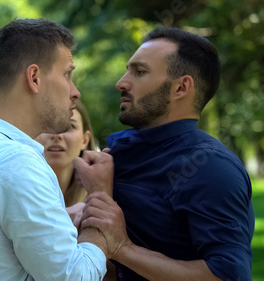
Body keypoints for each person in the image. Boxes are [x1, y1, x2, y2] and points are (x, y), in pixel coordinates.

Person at [0, 18, 118, 281]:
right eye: (67, 74)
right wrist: (99, 224)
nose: (75, 92)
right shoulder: (16, 162)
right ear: (34, 78)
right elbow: (75, 277)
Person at [74, 27, 254, 281]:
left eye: (139, 72)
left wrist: (123, 248)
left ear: (181, 87)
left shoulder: (210, 166)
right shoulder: (116, 153)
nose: (121, 82)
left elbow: (228, 275)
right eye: (128, 70)